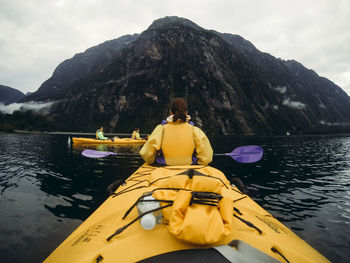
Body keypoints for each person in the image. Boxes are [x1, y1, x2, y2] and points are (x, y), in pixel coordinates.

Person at [140, 98, 213, 165]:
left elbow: (147, 155)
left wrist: (154, 160)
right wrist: (196, 162)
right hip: (189, 167)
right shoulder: (194, 130)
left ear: (170, 112)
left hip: (164, 168)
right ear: (186, 112)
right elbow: (206, 157)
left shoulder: (161, 129)